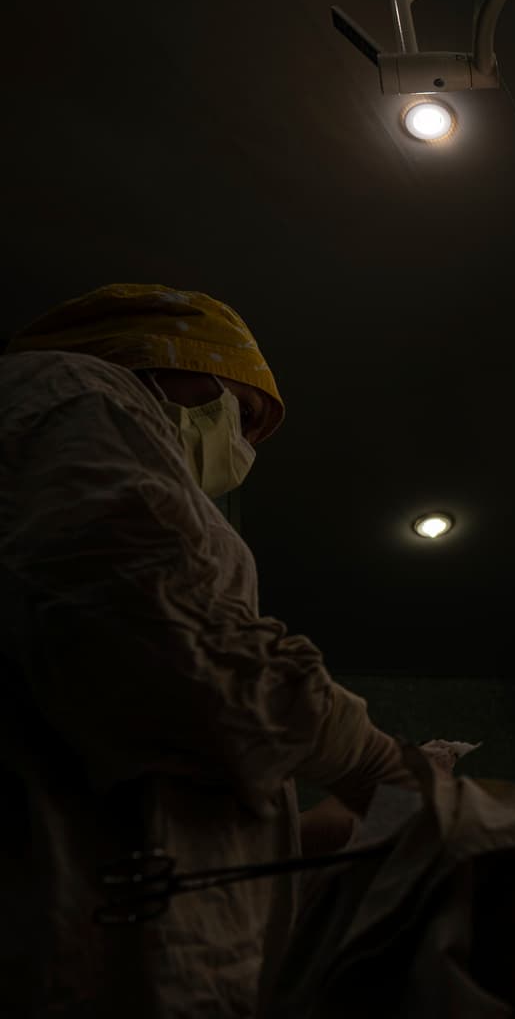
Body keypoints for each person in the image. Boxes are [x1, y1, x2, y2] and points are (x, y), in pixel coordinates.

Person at [0, 284, 423, 1017]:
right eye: (243, 412)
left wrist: (325, 831)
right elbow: (152, 629)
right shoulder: (74, 388)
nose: (243, 446)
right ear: (169, 358)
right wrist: (372, 762)